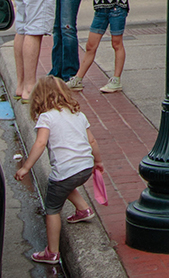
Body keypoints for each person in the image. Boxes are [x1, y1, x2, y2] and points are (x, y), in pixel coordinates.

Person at [14, 76, 103, 265]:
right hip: (85, 167)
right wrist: (99, 161)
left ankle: (52, 252)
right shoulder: (78, 114)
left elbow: (40, 143)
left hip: (66, 170)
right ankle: (83, 209)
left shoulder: (46, 117)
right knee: (65, 183)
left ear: (40, 97)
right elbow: (92, 140)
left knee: (52, 209)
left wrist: (26, 167)